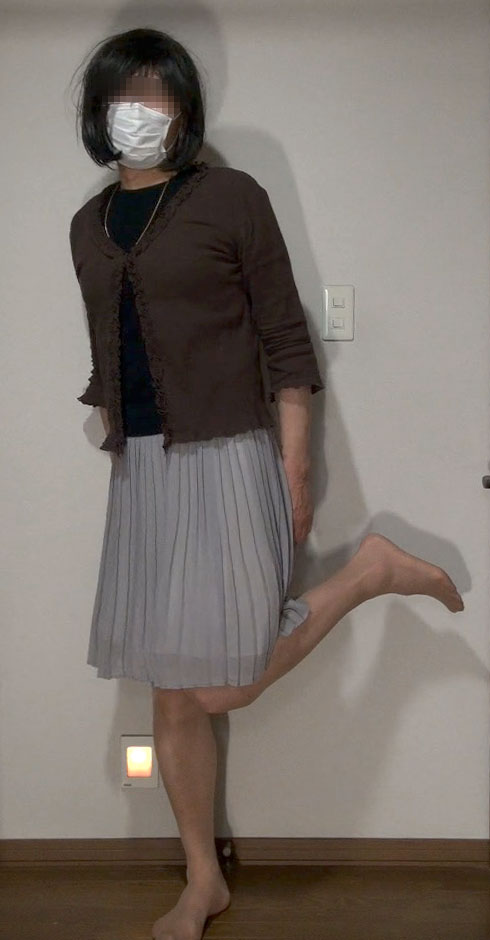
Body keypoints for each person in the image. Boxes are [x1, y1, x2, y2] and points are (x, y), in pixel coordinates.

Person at [69, 26, 464, 940]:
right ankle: (202, 880)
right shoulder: (87, 226)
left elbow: (286, 338)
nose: (140, 112)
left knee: (225, 683)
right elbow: (110, 347)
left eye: (158, 95)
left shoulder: (230, 198)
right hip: (144, 471)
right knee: (171, 692)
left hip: (231, 452)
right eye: (124, 95)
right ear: (97, 111)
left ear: (184, 108)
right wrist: (105, 415)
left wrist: (296, 463)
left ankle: (368, 571)